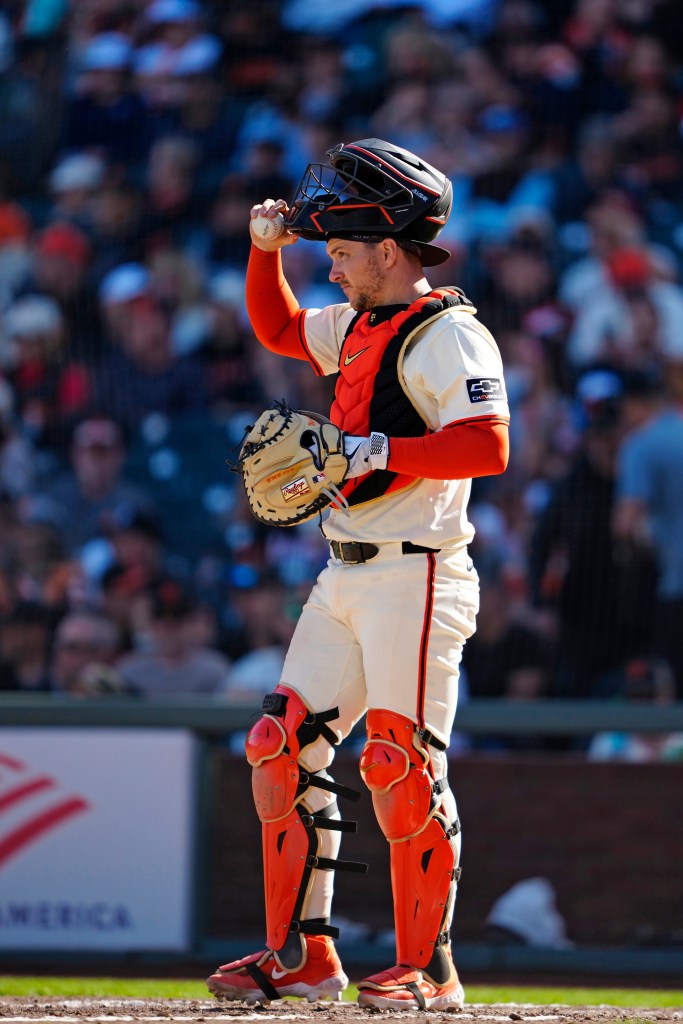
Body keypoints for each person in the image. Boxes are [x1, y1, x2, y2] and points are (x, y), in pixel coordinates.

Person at [206, 138, 510, 1010]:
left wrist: (369, 446)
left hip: (417, 574)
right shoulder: (358, 322)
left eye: (339, 254)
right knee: (279, 747)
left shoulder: (449, 331)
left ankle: (432, 971)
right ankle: (303, 959)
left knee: (397, 763)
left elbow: (486, 446)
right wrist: (265, 255)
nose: (330, 270)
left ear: (388, 250)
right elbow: (272, 327)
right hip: (344, 571)